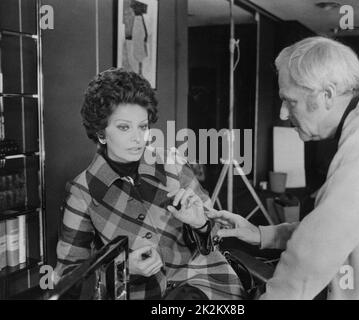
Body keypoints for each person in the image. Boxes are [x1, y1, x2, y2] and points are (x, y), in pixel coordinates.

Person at [207, 36, 359, 299]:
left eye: (290, 101)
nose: (283, 113)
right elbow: (336, 225)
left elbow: (321, 243)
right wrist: (261, 234)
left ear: (327, 94)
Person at [54, 68, 245, 300]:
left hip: (205, 284)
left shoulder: (172, 163)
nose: (138, 138)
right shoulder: (82, 191)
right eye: (124, 127)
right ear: (101, 133)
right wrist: (123, 269)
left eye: (143, 127)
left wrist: (200, 223)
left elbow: (215, 235)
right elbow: (68, 277)